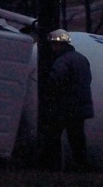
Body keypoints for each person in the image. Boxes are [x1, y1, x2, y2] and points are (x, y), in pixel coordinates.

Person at [40, 29, 94, 170]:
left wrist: (47, 90)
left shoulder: (63, 60)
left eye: (53, 44)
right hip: (81, 106)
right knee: (77, 138)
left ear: (58, 45)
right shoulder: (82, 59)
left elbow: (56, 80)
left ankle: (49, 164)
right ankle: (83, 166)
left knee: (53, 135)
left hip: (66, 106)